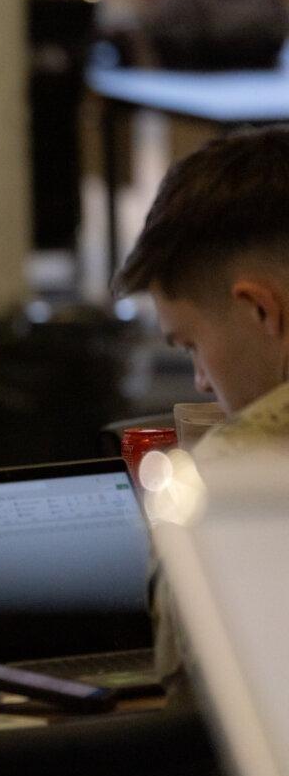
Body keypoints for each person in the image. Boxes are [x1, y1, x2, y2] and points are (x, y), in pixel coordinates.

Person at [113, 124, 289, 703]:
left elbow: (193, 737)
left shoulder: (228, 490)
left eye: (190, 345)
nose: (200, 381)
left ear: (262, 311)